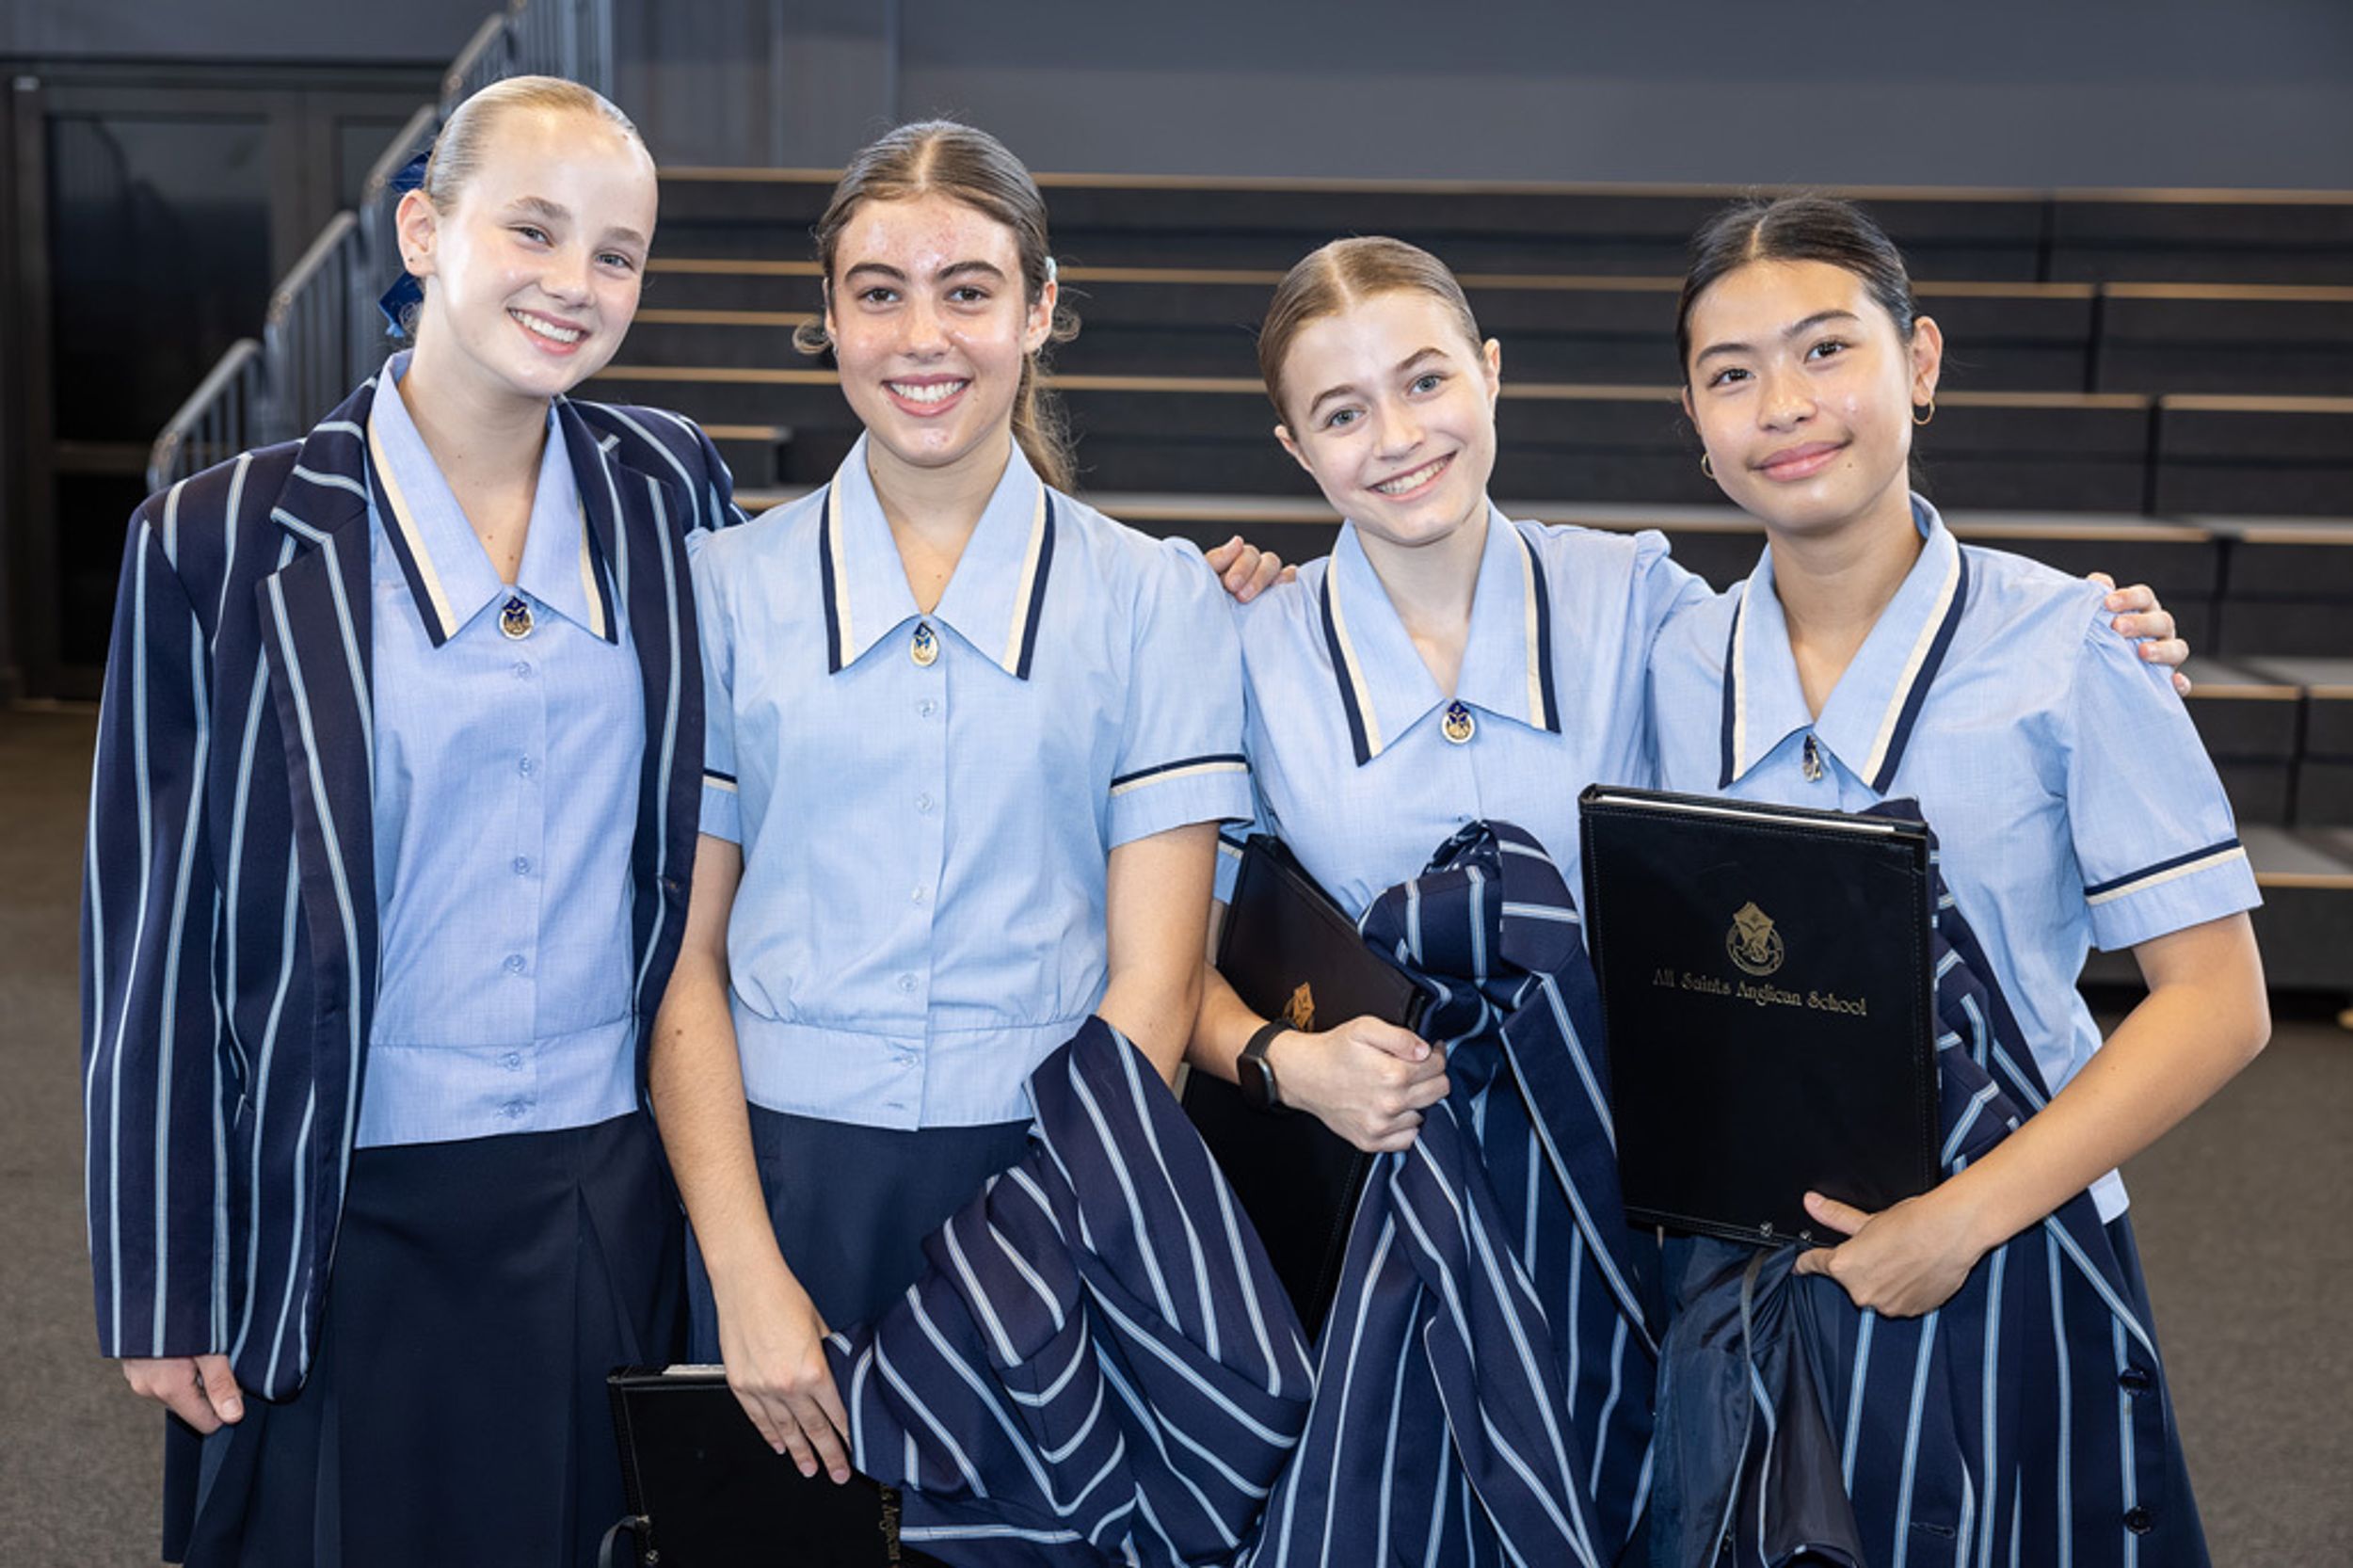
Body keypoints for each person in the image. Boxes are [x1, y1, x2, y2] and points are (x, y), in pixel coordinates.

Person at [1182, 232, 2196, 1562]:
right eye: (1341, 411)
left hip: (1635, 1185)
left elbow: (1822, 643)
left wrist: (2095, 633)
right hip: (1388, 1185)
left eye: (1426, 381)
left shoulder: (1645, 602)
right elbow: (1169, 960)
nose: (1399, 435)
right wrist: (1289, 1060)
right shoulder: (1235, 645)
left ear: (1492, 374)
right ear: (1292, 444)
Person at [80, 77, 745, 1566]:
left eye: (619, 254)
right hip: (332, 1198)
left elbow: (836, 626)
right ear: (425, 230)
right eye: (534, 230)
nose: (575, 283)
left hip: (599, 1187)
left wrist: (1201, 598)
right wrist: (163, 1277)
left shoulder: (670, 487)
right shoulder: (220, 537)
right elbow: (150, 937)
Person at [1644, 193, 2266, 1565]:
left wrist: (1955, 1225)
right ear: (1693, 418)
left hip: (2007, 1249)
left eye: (1826, 350)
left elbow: (2219, 1001)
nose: (1784, 406)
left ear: (1918, 361)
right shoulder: (1669, 663)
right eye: (1731, 375)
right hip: (1736, 1269)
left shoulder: (2073, 646)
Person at [648, 120, 1268, 1491]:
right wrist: (741, 1268)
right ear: (830, 317)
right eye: (879, 292)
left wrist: (1038, 1243)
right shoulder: (721, 590)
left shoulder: (1153, 600)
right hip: (779, 1184)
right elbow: (682, 960)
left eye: (968, 290)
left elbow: (1156, 983)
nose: (922, 337)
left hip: (1054, 1180)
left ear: (1038, 310)